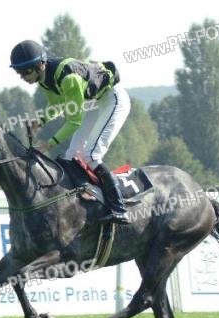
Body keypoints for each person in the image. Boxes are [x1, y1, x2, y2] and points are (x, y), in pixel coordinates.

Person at [9, 40, 131, 225]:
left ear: (40, 65)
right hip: (95, 102)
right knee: (71, 156)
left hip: (114, 100)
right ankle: (90, 198)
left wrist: (49, 144)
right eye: (19, 72)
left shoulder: (68, 79)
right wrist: (42, 120)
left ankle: (119, 208)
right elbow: (57, 105)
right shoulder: (44, 79)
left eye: (25, 71)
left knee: (91, 154)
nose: (22, 77)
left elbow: (74, 122)